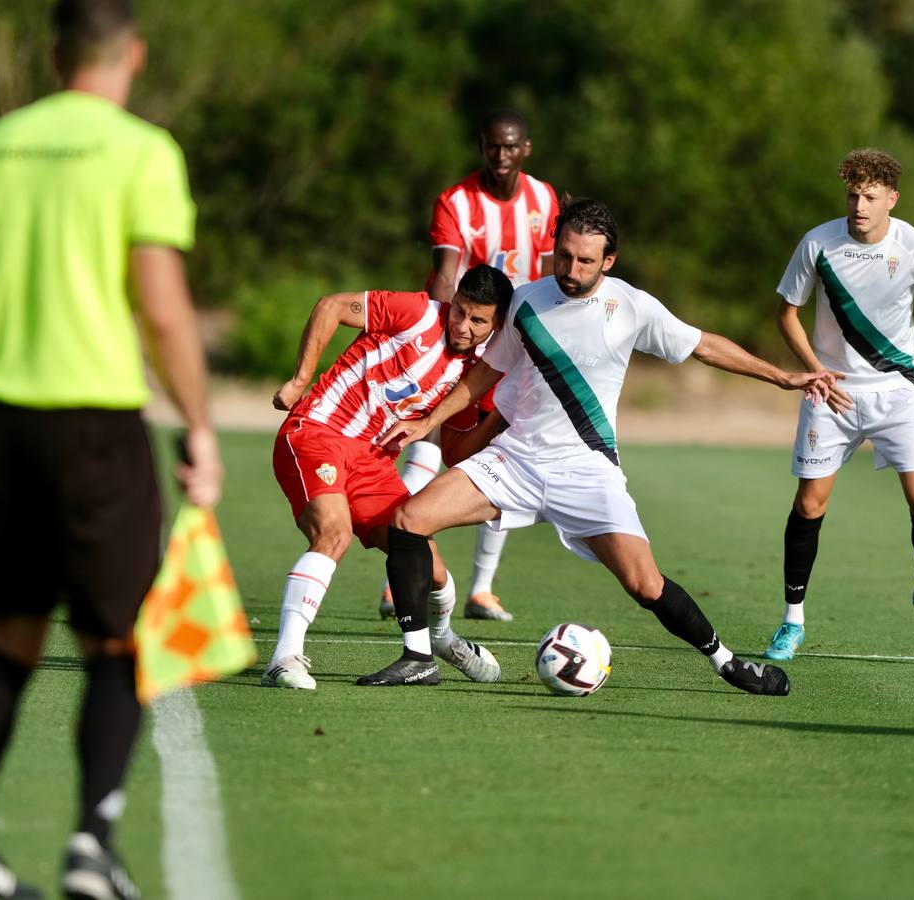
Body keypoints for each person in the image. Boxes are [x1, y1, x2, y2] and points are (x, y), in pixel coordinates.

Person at [0, 2, 223, 898]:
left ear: (54, 57)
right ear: (135, 56)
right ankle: (92, 846)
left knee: (10, 638)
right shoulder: (142, 151)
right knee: (120, 644)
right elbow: (162, 306)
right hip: (97, 428)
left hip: (4, 423)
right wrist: (198, 425)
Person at [361, 197, 844, 691]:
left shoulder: (632, 306)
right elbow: (486, 372)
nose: (571, 269)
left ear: (609, 260)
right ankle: (418, 656)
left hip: (588, 470)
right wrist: (427, 422)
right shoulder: (526, 301)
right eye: (564, 256)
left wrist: (780, 375)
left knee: (645, 584)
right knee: (408, 520)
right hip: (516, 460)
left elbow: (703, 345)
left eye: (586, 260)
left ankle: (727, 663)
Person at [760, 148, 914, 662]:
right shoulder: (817, 243)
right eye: (853, 195)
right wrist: (815, 367)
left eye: (870, 197)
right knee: (810, 504)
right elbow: (786, 313)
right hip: (832, 394)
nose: (859, 206)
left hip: (898, 394)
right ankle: (792, 620)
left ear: (891, 199)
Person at [262, 265, 513, 691]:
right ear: (454, 301)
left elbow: (454, 453)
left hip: (374, 464)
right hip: (318, 431)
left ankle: (441, 638)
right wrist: (299, 379)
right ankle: (284, 657)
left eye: (478, 321)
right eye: (461, 313)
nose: (464, 326)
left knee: (428, 569)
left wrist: (501, 417)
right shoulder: (416, 312)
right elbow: (332, 306)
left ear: (497, 324)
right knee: (333, 533)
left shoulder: (475, 375)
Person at [379, 107, 560, 624]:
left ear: (525, 149)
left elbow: (548, 277)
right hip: (468, 343)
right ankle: (400, 574)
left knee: (503, 456)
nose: (500, 157)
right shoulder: (455, 202)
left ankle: (481, 590)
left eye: (510, 147)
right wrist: (443, 341)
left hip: (517, 351)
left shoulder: (544, 199)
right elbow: (445, 276)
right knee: (430, 447)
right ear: (482, 147)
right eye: (492, 147)